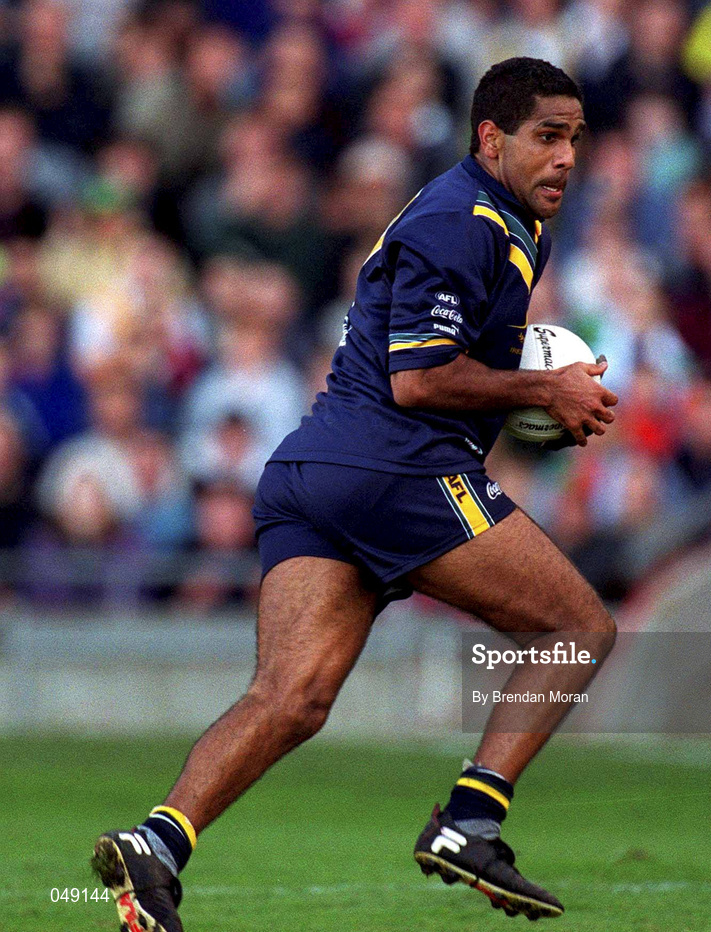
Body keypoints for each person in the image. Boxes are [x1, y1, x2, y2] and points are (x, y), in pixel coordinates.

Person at [91, 57, 618, 930]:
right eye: (547, 137)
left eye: (575, 139)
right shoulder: (463, 218)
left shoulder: (515, 225)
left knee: (290, 697)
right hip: (398, 469)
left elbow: (449, 352)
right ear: (491, 140)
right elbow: (419, 380)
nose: (566, 157)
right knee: (578, 627)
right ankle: (472, 821)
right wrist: (543, 392)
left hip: (319, 470)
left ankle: (156, 847)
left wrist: (542, 377)